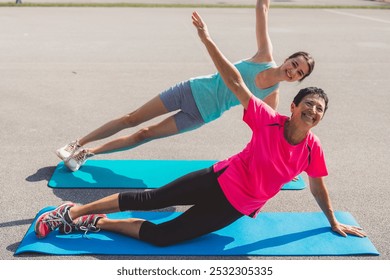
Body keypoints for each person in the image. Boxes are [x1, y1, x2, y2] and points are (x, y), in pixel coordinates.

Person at [34, 12, 366, 246]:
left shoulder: (308, 144)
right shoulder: (267, 112)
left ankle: (96, 221)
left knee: (163, 236)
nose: (312, 111)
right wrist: (207, 39)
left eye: (318, 109)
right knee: (150, 191)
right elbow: (236, 80)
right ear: (295, 106)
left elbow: (318, 186)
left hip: (234, 200)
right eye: (308, 104)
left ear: (319, 117)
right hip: (217, 166)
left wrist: (333, 221)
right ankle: (72, 209)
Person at [56, 0, 315, 172]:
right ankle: (76, 143)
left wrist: (281, 164)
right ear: (288, 59)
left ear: (299, 80)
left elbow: (266, 133)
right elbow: (263, 9)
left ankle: (87, 154)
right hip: (189, 91)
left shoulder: (272, 97)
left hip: (201, 115)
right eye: (294, 63)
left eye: (299, 72)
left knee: (144, 134)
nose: (292, 70)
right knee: (132, 118)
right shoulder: (264, 55)